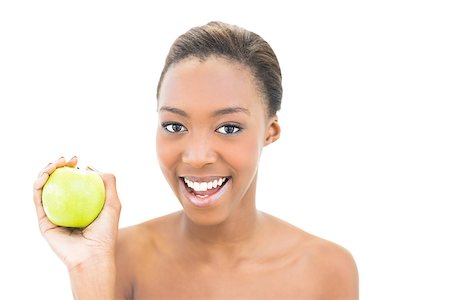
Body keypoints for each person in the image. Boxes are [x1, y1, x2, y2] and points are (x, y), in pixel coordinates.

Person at [33, 21, 359, 299]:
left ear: (270, 132)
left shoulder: (326, 271)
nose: (197, 156)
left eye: (228, 127)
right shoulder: (117, 257)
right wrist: (87, 269)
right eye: (175, 126)